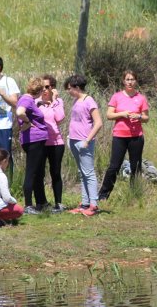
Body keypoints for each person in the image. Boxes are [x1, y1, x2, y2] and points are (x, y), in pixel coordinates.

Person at [99, 71, 150, 201]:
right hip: (120, 136)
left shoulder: (141, 98)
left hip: (136, 136)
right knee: (114, 166)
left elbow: (146, 118)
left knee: (136, 165)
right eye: (127, 79)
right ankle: (103, 195)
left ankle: (135, 194)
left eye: (132, 79)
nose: (130, 82)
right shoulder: (116, 97)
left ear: (136, 81)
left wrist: (138, 116)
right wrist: (122, 114)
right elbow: (109, 115)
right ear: (123, 81)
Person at [64, 75, 103, 217]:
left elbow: (98, 122)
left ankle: (94, 204)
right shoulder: (76, 100)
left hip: (84, 142)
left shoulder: (89, 100)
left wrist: (87, 140)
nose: (68, 91)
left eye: (70, 88)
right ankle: (85, 203)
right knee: (82, 172)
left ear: (77, 87)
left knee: (89, 172)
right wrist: (70, 138)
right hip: (73, 140)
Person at [16, 77, 49, 215]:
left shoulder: (30, 100)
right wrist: (27, 121)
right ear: (40, 90)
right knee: (31, 172)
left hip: (37, 140)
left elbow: (28, 109)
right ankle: (29, 205)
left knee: (39, 172)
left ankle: (41, 202)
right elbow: (20, 112)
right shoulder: (26, 99)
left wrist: (40, 104)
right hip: (34, 140)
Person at [35, 74, 66, 213]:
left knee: (55, 172)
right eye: (42, 87)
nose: (44, 89)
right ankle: (41, 203)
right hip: (39, 142)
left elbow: (59, 118)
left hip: (56, 142)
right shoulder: (35, 102)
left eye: (47, 87)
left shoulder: (58, 101)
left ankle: (58, 203)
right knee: (38, 173)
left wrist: (54, 101)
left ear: (53, 88)